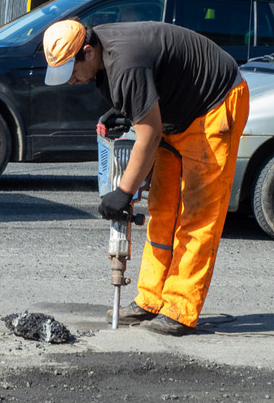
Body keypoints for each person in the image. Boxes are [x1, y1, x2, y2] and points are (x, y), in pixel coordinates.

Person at [41, 19, 249, 336]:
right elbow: (145, 113)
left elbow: (148, 135)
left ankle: (180, 309)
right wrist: (128, 111)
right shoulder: (101, 58)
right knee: (163, 208)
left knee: (197, 215)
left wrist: (124, 192)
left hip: (214, 105)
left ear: (87, 51)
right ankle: (151, 300)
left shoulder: (125, 64)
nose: (69, 80)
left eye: (71, 69)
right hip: (176, 116)